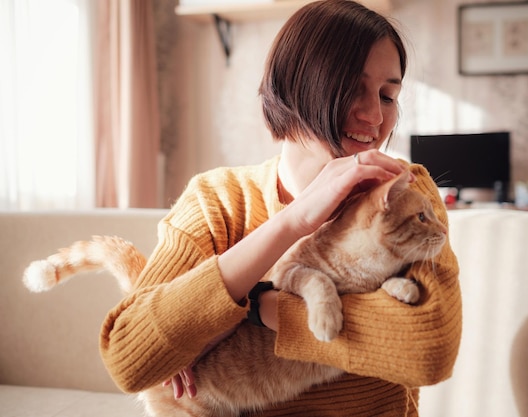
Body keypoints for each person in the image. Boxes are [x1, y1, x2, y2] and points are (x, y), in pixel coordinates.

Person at [99, 1, 462, 415]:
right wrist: (292, 221)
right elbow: (129, 359)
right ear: (293, 85)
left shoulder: (405, 189)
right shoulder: (217, 199)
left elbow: (429, 350)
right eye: (352, 88)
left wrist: (254, 307)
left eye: (388, 95)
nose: (375, 115)